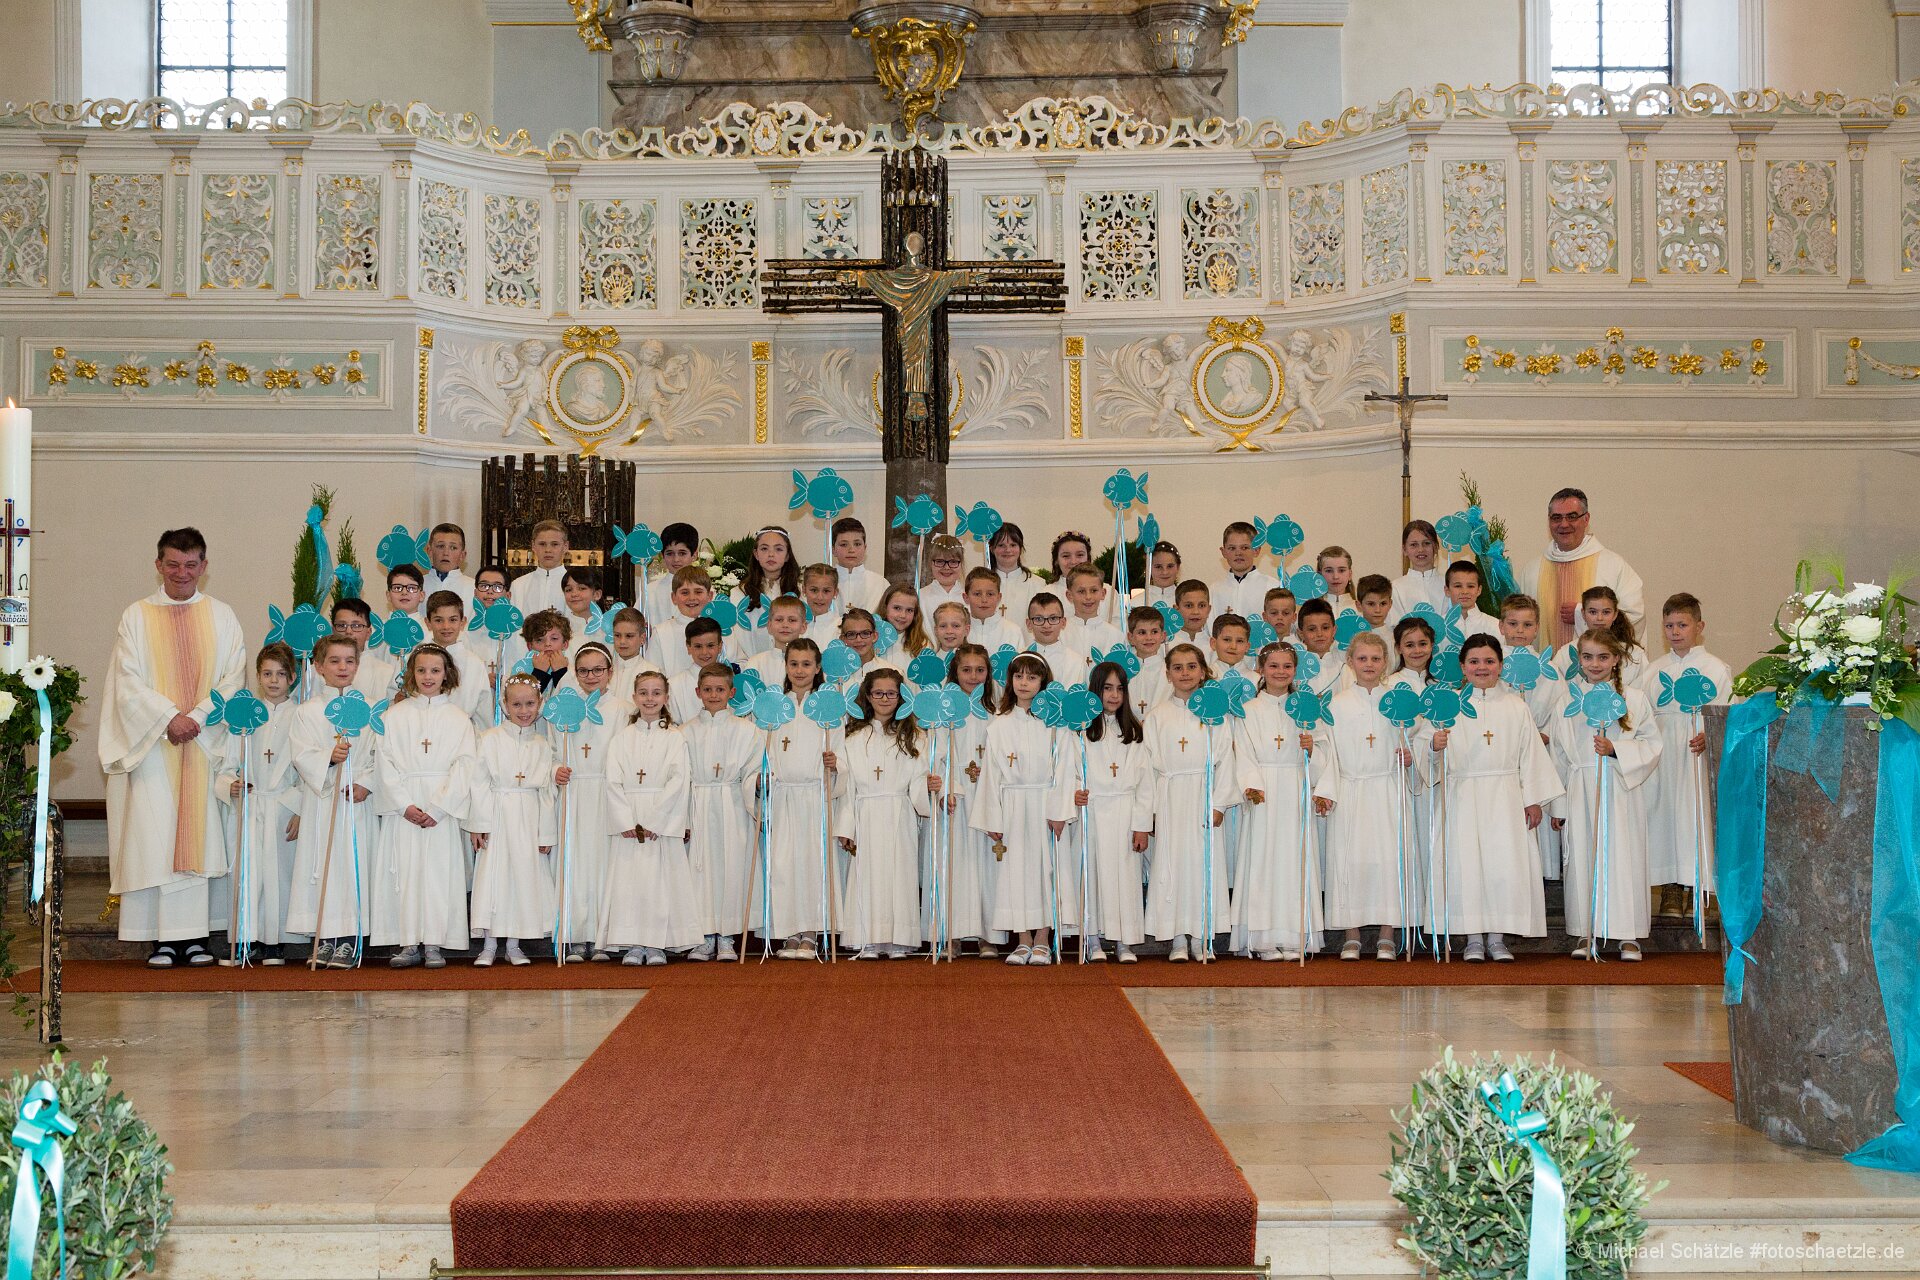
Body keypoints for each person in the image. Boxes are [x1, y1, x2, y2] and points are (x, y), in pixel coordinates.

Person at [101, 528, 248, 968]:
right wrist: (168, 717)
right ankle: (160, 940)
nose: (181, 573)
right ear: (158, 565)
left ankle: (196, 939)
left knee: (200, 839)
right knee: (155, 837)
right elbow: (127, 681)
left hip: (203, 743)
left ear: (204, 566)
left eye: (190, 564)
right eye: (173, 564)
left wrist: (197, 717)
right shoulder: (136, 616)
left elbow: (234, 676)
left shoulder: (222, 615)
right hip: (153, 744)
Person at [1414, 634, 1564, 963]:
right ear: (1462, 666)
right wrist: (1433, 746)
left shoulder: (1515, 706)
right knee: (1466, 866)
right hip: (1462, 796)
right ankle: (1472, 939)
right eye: (1474, 661)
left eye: (1489, 661)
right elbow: (1423, 748)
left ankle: (1497, 939)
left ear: (1500, 665)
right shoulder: (1447, 704)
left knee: (1503, 866)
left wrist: (1533, 798)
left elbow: (1530, 754)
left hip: (1505, 797)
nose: (1482, 667)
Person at [1550, 629, 1662, 961]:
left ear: (1616, 659)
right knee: (1584, 859)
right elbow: (1558, 755)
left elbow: (1652, 744)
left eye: (1603, 657)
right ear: (1579, 659)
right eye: (1588, 657)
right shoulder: (1567, 701)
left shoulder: (1635, 699)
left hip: (1619, 788)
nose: (1595, 664)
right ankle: (1587, 931)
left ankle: (1628, 935)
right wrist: (1559, 805)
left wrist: (1616, 749)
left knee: (1623, 858)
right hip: (1580, 788)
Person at [1316, 633, 1419, 961]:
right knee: (1350, 861)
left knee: (1390, 860)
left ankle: (1388, 934)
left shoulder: (1400, 702)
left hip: (1388, 789)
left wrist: (1410, 755)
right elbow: (1329, 752)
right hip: (1351, 790)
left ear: (1386, 662)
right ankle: (1352, 935)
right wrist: (1327, 791)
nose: (1369, 665)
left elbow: (1416, 738)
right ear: (1350, 662)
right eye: (1362, 658)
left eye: (1376, 658)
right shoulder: (1336, 705)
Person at [373, 644, 478, 970]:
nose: (428, 676)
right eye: (421, 670)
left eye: (435, 670)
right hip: (405, 807)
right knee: (405, 873)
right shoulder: (393, 716)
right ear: (411, 674)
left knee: (438, 875)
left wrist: (439, 807)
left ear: (447, 674)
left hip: (439, 809)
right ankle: (407, 942)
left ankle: (434, 942)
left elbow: (465, 765)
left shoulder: (459, 718)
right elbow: (384, 763)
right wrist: (404, 804)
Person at [971, 653, 1076, 965]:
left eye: (1032, 677)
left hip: (1045, 805)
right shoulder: (1000, 725)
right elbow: (991, 775)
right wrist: (993, 817)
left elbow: (1065, 768)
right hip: (1013, 805)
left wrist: (1059, 811)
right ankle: (1023, 939)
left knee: (1046, 871)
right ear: (1010, 681)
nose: (1024, 683)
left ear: (1043, 682)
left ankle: (1043, 938)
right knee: (1015, 872)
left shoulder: (1056, 724)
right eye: (1019, 677)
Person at [285, 635, 382, 969]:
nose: (343, 667)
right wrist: (328, 757)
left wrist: (366, 783)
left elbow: (381, 754)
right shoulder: (308, 711)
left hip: (356, 802)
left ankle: (351, 939)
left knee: (353, 867)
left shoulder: (370, 709)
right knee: (326, 867)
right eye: (335, 661)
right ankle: (326, 938)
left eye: (349, 661)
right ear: (318, 666)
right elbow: (300, 754)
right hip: (323, 803)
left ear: (358, 665)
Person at [1636, 592, 1732, 917]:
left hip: (1696, 752)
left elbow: (1726, 712)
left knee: (1695, 816)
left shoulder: (1716, 668)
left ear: (1699, 627)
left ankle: (1698, 889)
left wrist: (1711, 733)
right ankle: (1670, 890)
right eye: (1669, 625)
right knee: (1662, 816)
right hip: (1662, 755)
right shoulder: (1653, 670)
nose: (1675, 631)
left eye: (1682, 624)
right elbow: (1642, 714)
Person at [1144, 644, 1239, 961]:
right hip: (1170, 797)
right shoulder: (1157, 716)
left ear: (1202, 671)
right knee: (1171, 867)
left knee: (1203, 866)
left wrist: (1219, 804)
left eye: (1191, 666)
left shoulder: (1216, 716)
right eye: (1178, 667)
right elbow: (1147, 768)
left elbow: (1226, 760)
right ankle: (1177, 939)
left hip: (1203, 796)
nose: (1185, 673)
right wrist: (1152, 812)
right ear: (1168, 673)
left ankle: (1201, 937)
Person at [748, 639, 840, 960]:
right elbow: (757, 753)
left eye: (806, 664)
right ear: (785, 666)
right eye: (793, 664)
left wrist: (836, 764)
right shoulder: (773, 708)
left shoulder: (828, 708)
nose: (799, 671)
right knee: (784, 866)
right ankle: (789, 933)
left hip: (814, 796)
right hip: (783, 796)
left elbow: (842, 752)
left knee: (813, 864)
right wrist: (759, 778)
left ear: (818, 667)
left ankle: (811, 932)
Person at [1231, 642, 1322, 961]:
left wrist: (1312, 749)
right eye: (1273, 666)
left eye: (1287, 666)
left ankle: (1295, 935)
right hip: (1264, 792)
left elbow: (1326, 749)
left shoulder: (1307, 708)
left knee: (1294, 860)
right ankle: (1264, 938)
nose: (1280, 672)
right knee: (1264, 859)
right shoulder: (1249, 710)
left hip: (1295, 788)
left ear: (1295, 670)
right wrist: (1252, 785)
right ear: (1261, 669)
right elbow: (1242, 750)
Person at [599, 670, 697, 966]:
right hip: (631, 820)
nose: (649, 698)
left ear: (666, 697)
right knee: (630, 884)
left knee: (659, 884)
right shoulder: (621, 738)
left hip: (658, 821)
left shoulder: (675, 738)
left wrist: (657, 821)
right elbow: (612, 780)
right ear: (634, 697)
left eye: (656, 693)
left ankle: (657, 944)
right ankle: (633, 944)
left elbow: (679, 779)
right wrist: (625, 820)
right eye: (643, 693)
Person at [466, 672, 565, 966]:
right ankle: (489, 945)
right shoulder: (489, 739)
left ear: (540, 703)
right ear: (505, 705)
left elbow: (546, 791)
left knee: (523, 878)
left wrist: (545, 833)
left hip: (528, 818)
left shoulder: (542, 744)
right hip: (498, 816)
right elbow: (478, 783)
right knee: (495, 879)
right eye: (517, 704)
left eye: (530, 704)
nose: (524, 711)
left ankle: (514, 944)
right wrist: (479, 824)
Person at [836, 670, 934, 959]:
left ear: (902, 697)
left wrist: (928, 786)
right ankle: (867, 939)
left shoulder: (915, 737)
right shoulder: (853, 737)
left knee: (900, 875)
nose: (884, 699)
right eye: (878, 693)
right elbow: (849, 787)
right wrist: (846, 826)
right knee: (867, 876)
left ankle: (898, 940)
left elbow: (918, 780)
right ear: (867, 696)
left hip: (899, 813)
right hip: (865, 812)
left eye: (891, 693)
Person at [213, 642, 300, 966]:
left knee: (279, 875)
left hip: (282, 805)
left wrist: (300, 808)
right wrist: (230, 785)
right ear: (258, 676)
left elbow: (308, 768)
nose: (273, 681)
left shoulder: (300, 716)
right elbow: (226, 764)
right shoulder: (245, 716)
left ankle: (275, 942)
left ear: (292, 677)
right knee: (246, 873)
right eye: (267, 674)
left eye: (280, 674)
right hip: (250, 805)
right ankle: (244, 939)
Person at [1072, 661, 1153, 962]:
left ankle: (1124, 941)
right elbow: (1069, 770)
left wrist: (1142, 825)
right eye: (1107, 688)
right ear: (1095, 690)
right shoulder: (1080, 730)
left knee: (1126, 879)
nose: (1114, 695)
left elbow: (1145, 782)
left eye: (1120, 688)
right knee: (1091, 874)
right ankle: (1092, 939)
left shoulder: (1134, 730)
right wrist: (1075, 792)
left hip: (1125, 812)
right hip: (1093, 811)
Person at [554, 642, 628, 962]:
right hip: (574, 793)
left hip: (605, 793)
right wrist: (555, 769)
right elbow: (552, 750)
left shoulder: (622, 709)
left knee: (604, 864)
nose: (591, 676)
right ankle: (575, 936)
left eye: (598, 669)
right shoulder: (562, 709)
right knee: (575, 864)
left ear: (610, 672)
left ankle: (602, 937)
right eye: (583, 670)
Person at [683, 663, 759, 962]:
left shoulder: (747, 730)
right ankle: (703, 936)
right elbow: (680, 777)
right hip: (699, 803)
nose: (713, 695)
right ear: (697, 692)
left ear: (732, 692)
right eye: (708, 689)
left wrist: (758, 782)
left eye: (720, 689)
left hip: (732, 805)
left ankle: (727, 936)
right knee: (699, 871)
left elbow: (753, 770)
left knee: (731, 868)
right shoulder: (685, 732)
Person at [929, 643, 1002, 956]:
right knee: (954, 863)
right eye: (966, 670)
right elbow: (935, 754)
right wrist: (946, 787)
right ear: (955, 673)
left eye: (980, 670)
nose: (973, 676)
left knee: (988, 864)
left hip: (987, 794)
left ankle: (989, 935)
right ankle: (952, 933)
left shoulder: (997, 712)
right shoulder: (943, 713)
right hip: (956, 796)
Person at [1518, 488, 1647, 649]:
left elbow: (1634, 616)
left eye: (1572, 516)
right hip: (1544, 664)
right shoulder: (1532, 570)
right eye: (1556, 518)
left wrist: (1583, 614)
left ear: (1586, 519)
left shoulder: (1613, 566)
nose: (1564, 524)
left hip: (1597, 662)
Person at [731, 527, 802, 658]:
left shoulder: (800, 591)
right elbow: (736, 637)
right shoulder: (739, 593)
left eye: (778, 549)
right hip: (751, 663)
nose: (771, 554)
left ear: (787, 555)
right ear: (756, 554)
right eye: (764, 548)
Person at [1210, 522, 1279, 624]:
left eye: (1245, 548)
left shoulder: (1273, 587)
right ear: (1223, 552)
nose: (1238, 553)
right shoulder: (1214, 590)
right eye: (1232, 548)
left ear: (1256, 550)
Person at [332, 599, 397, 701]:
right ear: (333, 630)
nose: (348, 631)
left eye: (356, 626)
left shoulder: (386, 672)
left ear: (368, 632)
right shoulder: (318, 670)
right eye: (341, 625)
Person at [1580, 586, 1646, 688]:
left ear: (1615, 614)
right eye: (1593, 612)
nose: (1599, 618)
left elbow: (1643, 691)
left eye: (1606, 612)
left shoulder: (1635, 655)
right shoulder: (1565, 654)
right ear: (1583, 614)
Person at [657, 567, 716, 679]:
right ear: (674, 597)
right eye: (685, 593)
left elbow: (737, 662)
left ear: (710, 596)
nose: (692, 598)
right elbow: (653, 674)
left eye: (698, 592)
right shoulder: (661, 632)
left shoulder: (722, 628)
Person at [667, 618, 726, 723]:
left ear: (720, 646)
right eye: (698, 646)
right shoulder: (674, 685)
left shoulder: (731, 680)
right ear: (689, 647)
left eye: (710, 645)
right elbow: (672, 726)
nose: (704, 652)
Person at [1388, 520, 1445, 626]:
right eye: (1414, 545)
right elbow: (1393, 626)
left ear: (1436, 547)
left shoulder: (1449, 585)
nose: (1421, 550)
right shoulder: (1395, 588)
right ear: (1405, 550)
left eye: (1426, 543)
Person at [1024, 591, 1087, 686]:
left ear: (1063, 622)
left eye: (1053, 618)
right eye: (1038, 619)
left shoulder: (1076, 662)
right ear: (1029, 624)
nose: (1046, 625)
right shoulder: (1018, 658)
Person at [510, 519, 571, 616]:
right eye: (542, 544)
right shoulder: (518, 585)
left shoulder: (576, 585)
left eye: (555, 544)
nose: (548, 550)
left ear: (565, 546)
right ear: (533, 546)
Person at [1063, 564, 1125, 656]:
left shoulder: (1116, 636)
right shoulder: (1060, 633)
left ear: (1103, 593)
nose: (1088, 597)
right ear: (1069, 596)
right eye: (1081, 591)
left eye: (1094, 590)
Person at [832, 517, 890, 613]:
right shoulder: (824, 582)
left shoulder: (881, 584)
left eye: (857, 544)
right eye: (844, 545)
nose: (851, 550)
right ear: (833, 549)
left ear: (865, 548)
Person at [1123, 605, 1170, 719]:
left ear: (1163, 636)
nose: (1149, 638)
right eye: (1142, 632)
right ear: (1131, 638)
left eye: (1154, 632)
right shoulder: (1123, 671)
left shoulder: (1171, 671)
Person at [963, 567, 1024, 652]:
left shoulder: (1013, 631)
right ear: (966, 597)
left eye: (990, 594)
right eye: (977, 594)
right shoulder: (959, 630)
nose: (984, 600)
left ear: (999, 597)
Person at [988, 524, 1041, 621]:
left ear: (1020, 548)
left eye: (1013, 545)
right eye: (1001, 545)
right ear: (992, 549)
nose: (1008, 550)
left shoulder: (1037, 584)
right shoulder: (982, 583)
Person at [423, 523, 475, 619]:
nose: (446, 553)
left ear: (462, 555)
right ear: (429, 551)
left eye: (453, 548)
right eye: (440, 546)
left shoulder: (474, 589)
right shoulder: (416, 586)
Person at [1443, 561, 1502, 644]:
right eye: (1458, 586)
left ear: (1479, 590)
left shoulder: (1496, 626)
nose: (1464, 591)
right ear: (1447, 590)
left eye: (1470, 586)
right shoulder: (1438, 627)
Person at [918, 535, 967, 632]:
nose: (947, 567)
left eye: (953, 562)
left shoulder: (970, 597)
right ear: (931, 563)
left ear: (961, 563)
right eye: (940, 561)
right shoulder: (920, 597)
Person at [520, 609, 572, 694]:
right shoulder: (520, 671)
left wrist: (560, 672)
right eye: (539, 640)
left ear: (565, 644)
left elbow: (571, 698)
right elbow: (523, 698)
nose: (547, 644)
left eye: (554, 638)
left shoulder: (575, 672)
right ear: (530, 646)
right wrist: (539, 672)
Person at [1130, 541, 1181, 609]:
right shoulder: (1136, 604)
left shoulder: (1186, 603)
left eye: (1170, 566)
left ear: (1178, 567)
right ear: (1148, 568)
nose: (1165, 572)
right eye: (1158, 567)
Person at [1317, 546, 1357, 616]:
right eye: (1329, 571)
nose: (1335, 577)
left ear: (1350, 574)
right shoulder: (1310, 611)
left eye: (1341, 570)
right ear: (1320, 575)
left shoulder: (1362, 610)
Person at [1172, 580, 1212, 648]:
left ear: (1209, 610)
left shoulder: (1215, 647)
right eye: (1189, 606)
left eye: (1201, 605)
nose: (1196, 612)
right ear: (1176, 610)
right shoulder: (1165, 645)